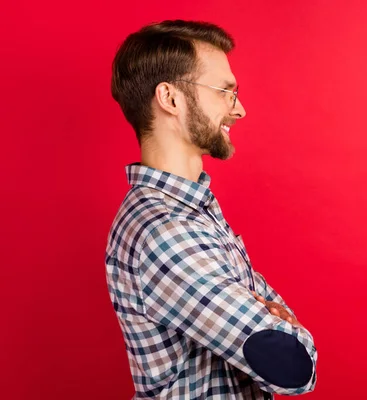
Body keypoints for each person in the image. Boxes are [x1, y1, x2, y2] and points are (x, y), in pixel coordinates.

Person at [105, 19, 317, 399]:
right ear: (170, 99)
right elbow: (294, 367)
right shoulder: (165, 230)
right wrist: (278, 319)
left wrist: (267, 316)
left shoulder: (195, 210)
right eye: (224, 91)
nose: (239, 111)